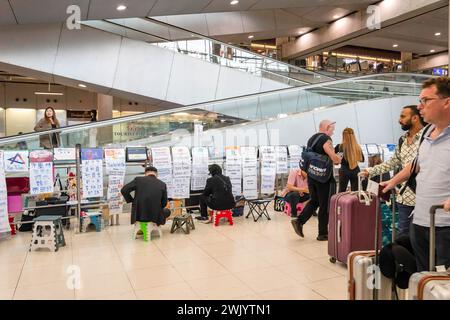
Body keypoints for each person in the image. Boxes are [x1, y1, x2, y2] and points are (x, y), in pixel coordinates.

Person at [381, 77, 450, 272]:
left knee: (442, 285)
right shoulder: (427, 133)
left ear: (446, 101)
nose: (420, 107)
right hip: (420, 221)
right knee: (423, 279)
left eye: (426, 100)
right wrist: (392, 181)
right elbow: (416, 165)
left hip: (445, 226)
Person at [362, 105, 426, 238]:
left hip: (424, 198)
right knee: (404, 237)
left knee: (423, 239)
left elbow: (417, 166)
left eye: (403, 116)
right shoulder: (402, 140)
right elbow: (393, 161)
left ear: (415, 118)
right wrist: (371, 171)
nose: (399, 120)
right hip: (404, 198)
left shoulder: (428, 138)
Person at [292, 120, 342, 241]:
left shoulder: (311, 139)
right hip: (324, 178)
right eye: (332, 129)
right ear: (326, 127)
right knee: (325, 205)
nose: (333, 132)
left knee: (314, 201)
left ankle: (299, 221)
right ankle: (323, 233)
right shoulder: (326, 139)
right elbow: (334, 158)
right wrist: (338, 158)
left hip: (312, 176)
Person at [334, 128, 364, 192]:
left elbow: (334, 159)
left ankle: (341, 202)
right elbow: (362, 159)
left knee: (341, 192)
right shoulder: (357, 147)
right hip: (356, 171)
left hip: (344, 171)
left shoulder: (340, 147)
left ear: (343, 136)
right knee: (355, 193)